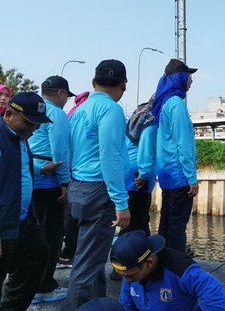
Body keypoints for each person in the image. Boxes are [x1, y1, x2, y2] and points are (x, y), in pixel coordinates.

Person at [65, 59, 131, 309]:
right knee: (86, 266)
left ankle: (96, 305)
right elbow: (110, 156)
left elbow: (68, 150)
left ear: (94, 83)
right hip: (98, 191)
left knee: (90, 260)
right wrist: (121, 202)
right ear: (123, 84)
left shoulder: (79, 109)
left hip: (78, 188)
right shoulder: (111, 110)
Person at [0, 92, 52, 310]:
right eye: (29, 123)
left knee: (38, 255)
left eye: (37, 125)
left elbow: (16, 168)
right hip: (3, 227)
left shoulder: (19, 137)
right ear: (9, 114)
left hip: (22, 223)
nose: (33, 130)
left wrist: (40, 169)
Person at [28, 76, 75, 304]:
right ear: (59, 93)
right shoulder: (55, 113)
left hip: (32, 180)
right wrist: (65, 184)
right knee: (52, 237)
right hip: (50, 185)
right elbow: (60, 151)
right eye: (67, 95)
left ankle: (32, 284)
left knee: (35, 236)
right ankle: (44, 287)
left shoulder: (32, 110)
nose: (66, 100)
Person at [110, 230, 225, 311]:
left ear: (149, 263)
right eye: (123, 276)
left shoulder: (180, 269)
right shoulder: (130, 272)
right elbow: (126, 305)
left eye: (130, 276)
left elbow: (216, 296)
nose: (126, 280)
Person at [151, 59, 199, 252]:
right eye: (189, 76)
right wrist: (192, 178)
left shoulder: (162, 103)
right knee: (178, 226)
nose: (191, 81)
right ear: (180, 77)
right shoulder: (176, 104)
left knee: (166, 222)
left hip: (166, 174)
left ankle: (162, 263)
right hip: (179, 174)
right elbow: (183, 144)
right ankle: (176, 269)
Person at [110, 96, 157, 281]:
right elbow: (146, 147)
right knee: (135, 225)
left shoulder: (138, 115)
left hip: (128, 175)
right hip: (138, 178)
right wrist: (145, 174)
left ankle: (138, 265)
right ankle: (121, 267)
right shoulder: (151, 119)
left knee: (137, 224)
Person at [58, 91, 90, 267]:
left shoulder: (72, 115)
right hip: (78, 176)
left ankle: (69, 252)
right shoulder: (77, 116)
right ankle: (71, 253)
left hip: (73, 175)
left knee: (71, 218)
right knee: (75, 220)